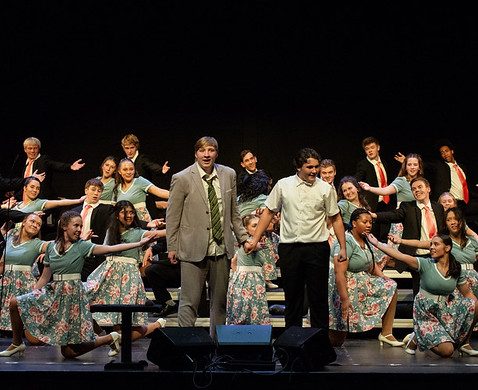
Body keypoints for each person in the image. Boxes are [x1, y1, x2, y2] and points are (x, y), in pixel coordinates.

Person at [0, 210, 158, 358]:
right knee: (15, 303)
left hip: (72, 296)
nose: (79, 229)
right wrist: (32, 295)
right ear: (64, 226)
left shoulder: (82, 246)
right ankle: (17, 343)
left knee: (68, 352)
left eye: (81, 226)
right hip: (54, 291)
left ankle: (110, 337)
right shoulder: (51, 248)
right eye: (76, 225)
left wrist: (138, 244)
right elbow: (44, 277)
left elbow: (111, 248)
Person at [244, 147, 346, 330]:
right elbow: (268, 212)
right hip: (290, 249)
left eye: (316, 167)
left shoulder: (325, 189)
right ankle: (292, 347)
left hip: (317, 248)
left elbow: (336, 217)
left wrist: (343, 248)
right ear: (299, 167)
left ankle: (319, 347)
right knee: (293, 299)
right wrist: (254, 239)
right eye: (310, 167)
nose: (314, 171)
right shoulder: (284, 185)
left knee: (318, 299)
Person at [166, 136, 248, 338]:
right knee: (189, 302)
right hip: (192, 249)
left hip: (221, 249)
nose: (207, 154)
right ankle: (186, 349)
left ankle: (216, 350)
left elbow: (234, 212)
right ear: (196, 153)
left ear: (216, 153)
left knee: (219, 303)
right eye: (203, 150)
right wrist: (172, 246)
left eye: (211, 150)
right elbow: (172, 215)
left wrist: (244, 238)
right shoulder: (182, 177)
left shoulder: (228, 174)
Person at [367, 232, 478, 358]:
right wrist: (377, 243)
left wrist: (475, 311)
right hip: (427, 311)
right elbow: (400, 256)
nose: (431, 247)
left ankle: (462, 343)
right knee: (447, 351)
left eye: (436, 244)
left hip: (446, 310)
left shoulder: (456, 268)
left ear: (447, 248)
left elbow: (468, 294)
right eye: (431, 244)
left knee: (474, 304)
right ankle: (418, 337)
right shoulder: (426, 264)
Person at [388, 206, 478, 355]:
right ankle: (424, 336)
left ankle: (464, 342)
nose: (453, 222)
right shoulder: (442, 241)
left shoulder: (471, 241)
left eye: (455, 219)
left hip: (471, 281)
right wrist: (400, 240)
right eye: (449, 220)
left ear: (462, 222)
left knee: (473, 309)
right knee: (452, 323)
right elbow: (419, 244)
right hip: (452, 281)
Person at [85, 200, 166, 356]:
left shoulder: (136, 232)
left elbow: (157, 234)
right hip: (108, 275)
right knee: (88, 303)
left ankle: (155, 325)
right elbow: (105, 250)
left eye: (131, 212)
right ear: (117, 214)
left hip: (127, 278)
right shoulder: (111, 231)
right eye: (124, 212)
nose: (129, 215)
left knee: (122, 323)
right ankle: (105, 337)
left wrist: (179, 227)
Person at [328, 208, 402, 347]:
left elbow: (371, 264)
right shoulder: (346, 241)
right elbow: (339, 272)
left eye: (370, 222)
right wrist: (344, 299)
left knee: (391, 285)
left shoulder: (365, 239)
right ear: (354, 223)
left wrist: (383, 277)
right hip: (344, 286)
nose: (369, 225)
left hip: (362, 284)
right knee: (336, 340)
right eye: (365, 222)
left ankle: (386, 333)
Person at [372, 176, 446, 295]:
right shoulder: (408, 207)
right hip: (418, 257)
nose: (417, 190)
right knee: (420, 291)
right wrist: (375, 216)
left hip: (438, 255)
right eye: (413, 189)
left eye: (420, 187)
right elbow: (393, 215)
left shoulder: (438, 207)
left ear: (428, 189)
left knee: (439, 289)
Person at [0, 213, 48, 331]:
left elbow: (58, 246)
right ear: (24, 222)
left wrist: (81, 240)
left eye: (38, 224)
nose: (35, 225)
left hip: (22, 283)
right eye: (32, 221)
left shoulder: (37, 244)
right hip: (4, 280)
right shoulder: (9, 237)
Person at [237, 170, 279, 289]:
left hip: (239, 235)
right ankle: (267, 277)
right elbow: (269, 225)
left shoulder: (239, 199)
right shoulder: (264, 199)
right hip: (253, 234)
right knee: (269, 239)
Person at [226, 214, 270, 325]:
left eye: (259, 226)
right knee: (242, 313)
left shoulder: (261, 242)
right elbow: (235, 260)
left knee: (256, 314)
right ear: (246, 228)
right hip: (245, 282)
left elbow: (234, 261)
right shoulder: (249, 242)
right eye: (254, 226)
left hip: (256, 281)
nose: (258, 229)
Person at [71, 178, 114, 281]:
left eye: (99, 191)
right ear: (86, 190)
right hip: (75, 252)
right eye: (93, 189)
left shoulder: (106, 209)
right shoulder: (74, 211)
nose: (96, 193)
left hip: (93, 253)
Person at [16, 137, 85, 200]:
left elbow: (55, 165)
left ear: (39, 148)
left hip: (41, 199)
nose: (32, 151)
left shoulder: (43, 160)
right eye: (30, 148)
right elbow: (24, 184)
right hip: (26, 199)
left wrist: (70, 167)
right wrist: (15, 197)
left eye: (35, 148)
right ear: (25, 149)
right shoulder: (26, 163)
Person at [355, 136, 396, 241]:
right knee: (374, 233)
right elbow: (357, 183)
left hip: (387, 203)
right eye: (367, 149)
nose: (370, 151)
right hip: (373, 204)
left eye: (372, 147)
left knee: (386, 232)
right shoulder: (363, 165)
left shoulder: (384, 163)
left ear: (378, 148)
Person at [121, 133, 170, 219]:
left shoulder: (142, 159)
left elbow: (150, 165)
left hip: (145, 199)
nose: (129, 151)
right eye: (127, 148)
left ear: (136, 147)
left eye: (132, 148)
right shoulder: (123, 163)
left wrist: (161, 169)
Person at [113, 158, 169, 223]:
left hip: (142, 223)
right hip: (124, 224)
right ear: (119, 171)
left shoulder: (140, 181)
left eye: (131, 169)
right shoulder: (117, 187)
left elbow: (160, 192)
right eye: (125, 169)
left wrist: (180, 193)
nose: (128, 172)